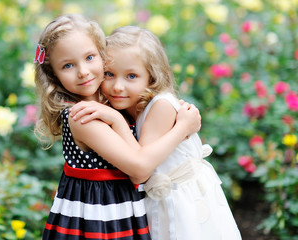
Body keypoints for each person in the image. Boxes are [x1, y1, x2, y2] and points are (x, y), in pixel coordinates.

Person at [34, 14, 201, 240]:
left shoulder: (107, 101)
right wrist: (182, 128)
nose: (83, 71)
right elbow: (140, 170)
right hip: (98, 218)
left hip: (115, 209)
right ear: (54, 74)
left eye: (90, 57)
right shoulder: (83, 116)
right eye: (68, 65)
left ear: (103, 55)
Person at [70, 26, 242, 240]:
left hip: (181, 201)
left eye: (131, 76)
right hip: (160, 198)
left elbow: (140, 168)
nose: (117, 86)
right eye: (109, 74)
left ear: (152, 77)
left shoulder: (160, 105)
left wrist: (116, 121)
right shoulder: (128, 105)